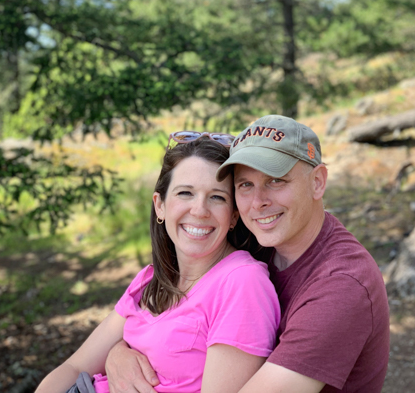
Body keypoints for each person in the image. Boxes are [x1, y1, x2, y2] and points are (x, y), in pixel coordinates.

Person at [106, 115, 390, 393]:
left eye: (276, 180)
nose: (257, 202)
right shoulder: (262, 244)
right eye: (245, 185)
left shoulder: (341, 285)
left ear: (317, 182)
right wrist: (117, 354)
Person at [35, 133, 280, 393]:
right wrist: (115, 353)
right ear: (160, 205)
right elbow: (74, 367)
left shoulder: (241, 282)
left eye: (217, 197)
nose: (199, 210)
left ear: (233, 216)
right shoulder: (150, 279)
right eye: (185, 193)